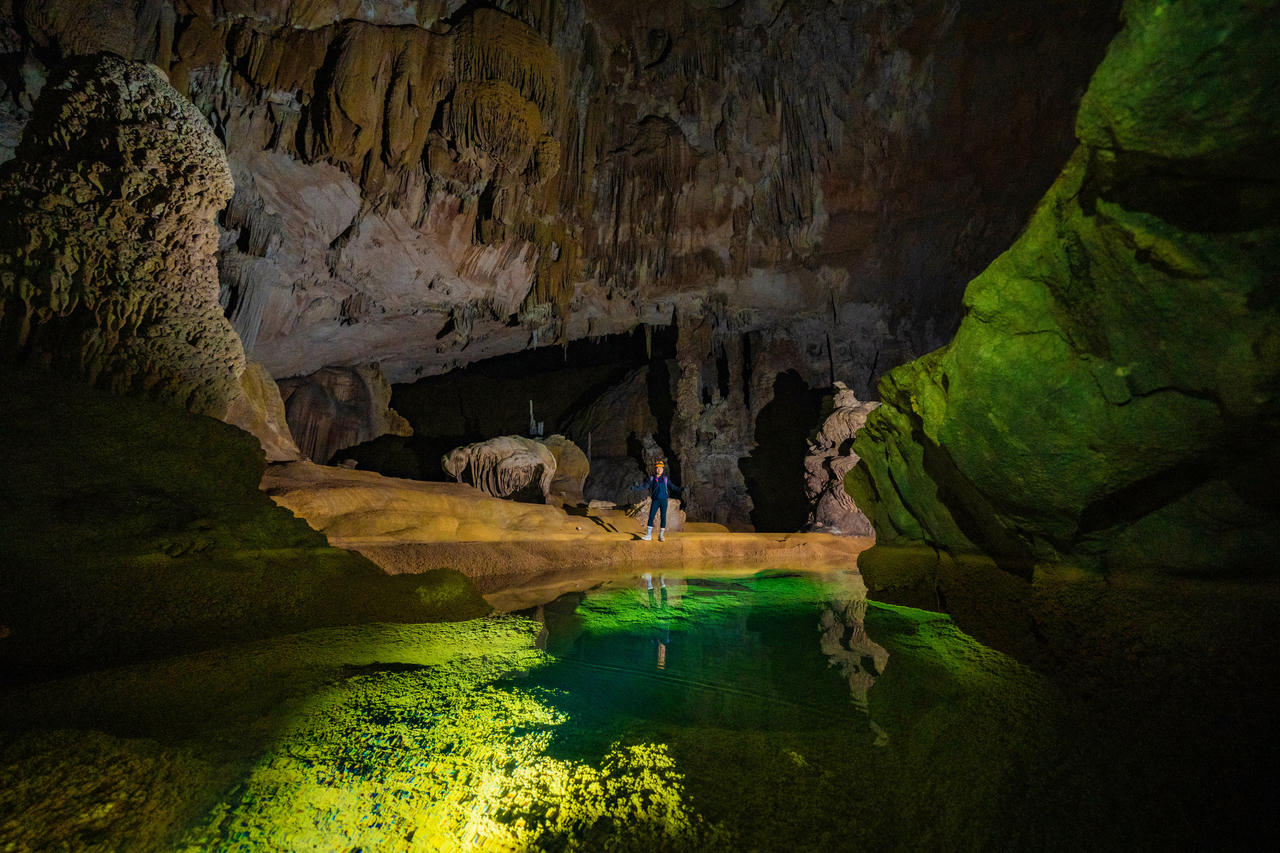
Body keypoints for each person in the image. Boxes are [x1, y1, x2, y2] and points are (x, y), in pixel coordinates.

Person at [636, 460, 681, 542]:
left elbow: (673, 487)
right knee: (651, 516)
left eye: (660, 468)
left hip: (664, 501)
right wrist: (636, 488)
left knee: (663, 517)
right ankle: (648, 535)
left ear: (663, 469)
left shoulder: (665, 479)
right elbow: (645, 486)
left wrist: (681, 489)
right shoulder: (652, 478)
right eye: (657, 468)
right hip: (655, 500)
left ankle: (661, 535)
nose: (659, 469)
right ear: (655, 469)